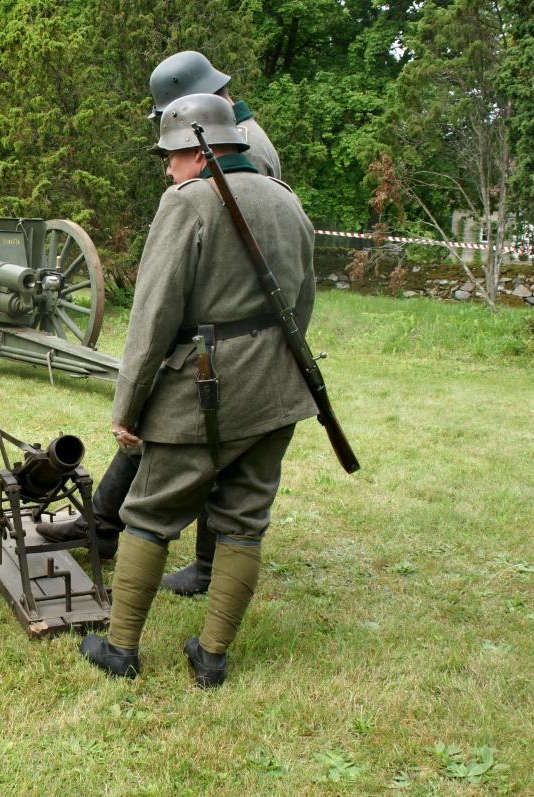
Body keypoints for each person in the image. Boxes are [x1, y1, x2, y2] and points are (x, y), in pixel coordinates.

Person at [77, 93, 315, 687]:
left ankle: (121, 648)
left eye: (170, 156)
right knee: (243, 521)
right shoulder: (288, 202)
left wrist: (127, 407)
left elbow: (152, 317)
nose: (167, 168)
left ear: (196, 149)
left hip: (202, 392)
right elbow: (302, 303)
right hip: (279, 390)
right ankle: (211, 658)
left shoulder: (187, 204)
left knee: (149, 515)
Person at [35, 50, 282, 598]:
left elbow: (236, 244)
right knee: (152, 429)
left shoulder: (245, 147)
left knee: (204, 442)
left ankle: (200, 561)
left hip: (213, 329)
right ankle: (104, 523)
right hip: (209, 323)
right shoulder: (238, 133)